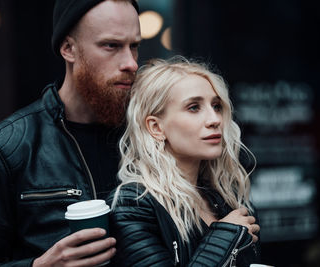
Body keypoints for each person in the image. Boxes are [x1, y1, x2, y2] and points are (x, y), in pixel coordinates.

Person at [0, 0, 141, 266]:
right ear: (68, 49)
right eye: (111, 46)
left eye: (134, 46)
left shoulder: (149, 136)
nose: (131, 63)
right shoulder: (7, 146)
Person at [106, 57, 261, 266]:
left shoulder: (226, 197)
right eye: (194, 107)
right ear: (156, 128)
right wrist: (225, 236)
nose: (215, 119)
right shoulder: (133, 206)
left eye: (216, 106)